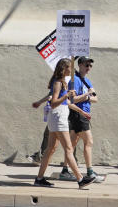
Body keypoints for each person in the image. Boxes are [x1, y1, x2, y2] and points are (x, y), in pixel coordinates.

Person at [34, 58, 97, 188]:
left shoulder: (62, 82)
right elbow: (54, 102)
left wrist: (81, 111)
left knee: (50, 149)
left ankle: (39, 178)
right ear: (64, 68)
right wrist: (66, 95)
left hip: (57, 117)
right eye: (70, 67)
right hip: (58, 118)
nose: (72, 70)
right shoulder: (58, 82)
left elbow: (63, 102)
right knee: (69, 149)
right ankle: (81, 179)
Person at [58, 56, 102, 182]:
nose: (89, 68)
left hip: (84, 114)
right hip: (78, 115)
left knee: (71, 144)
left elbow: (96, 99)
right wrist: (87, 95)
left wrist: (87, 97)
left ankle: (65, 170)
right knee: (89, 142)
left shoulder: (86, 81)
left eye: (90, 66)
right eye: (86, 65)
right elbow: (72, 99)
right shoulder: (75, 80)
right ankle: (90, 172)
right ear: (80, 65)